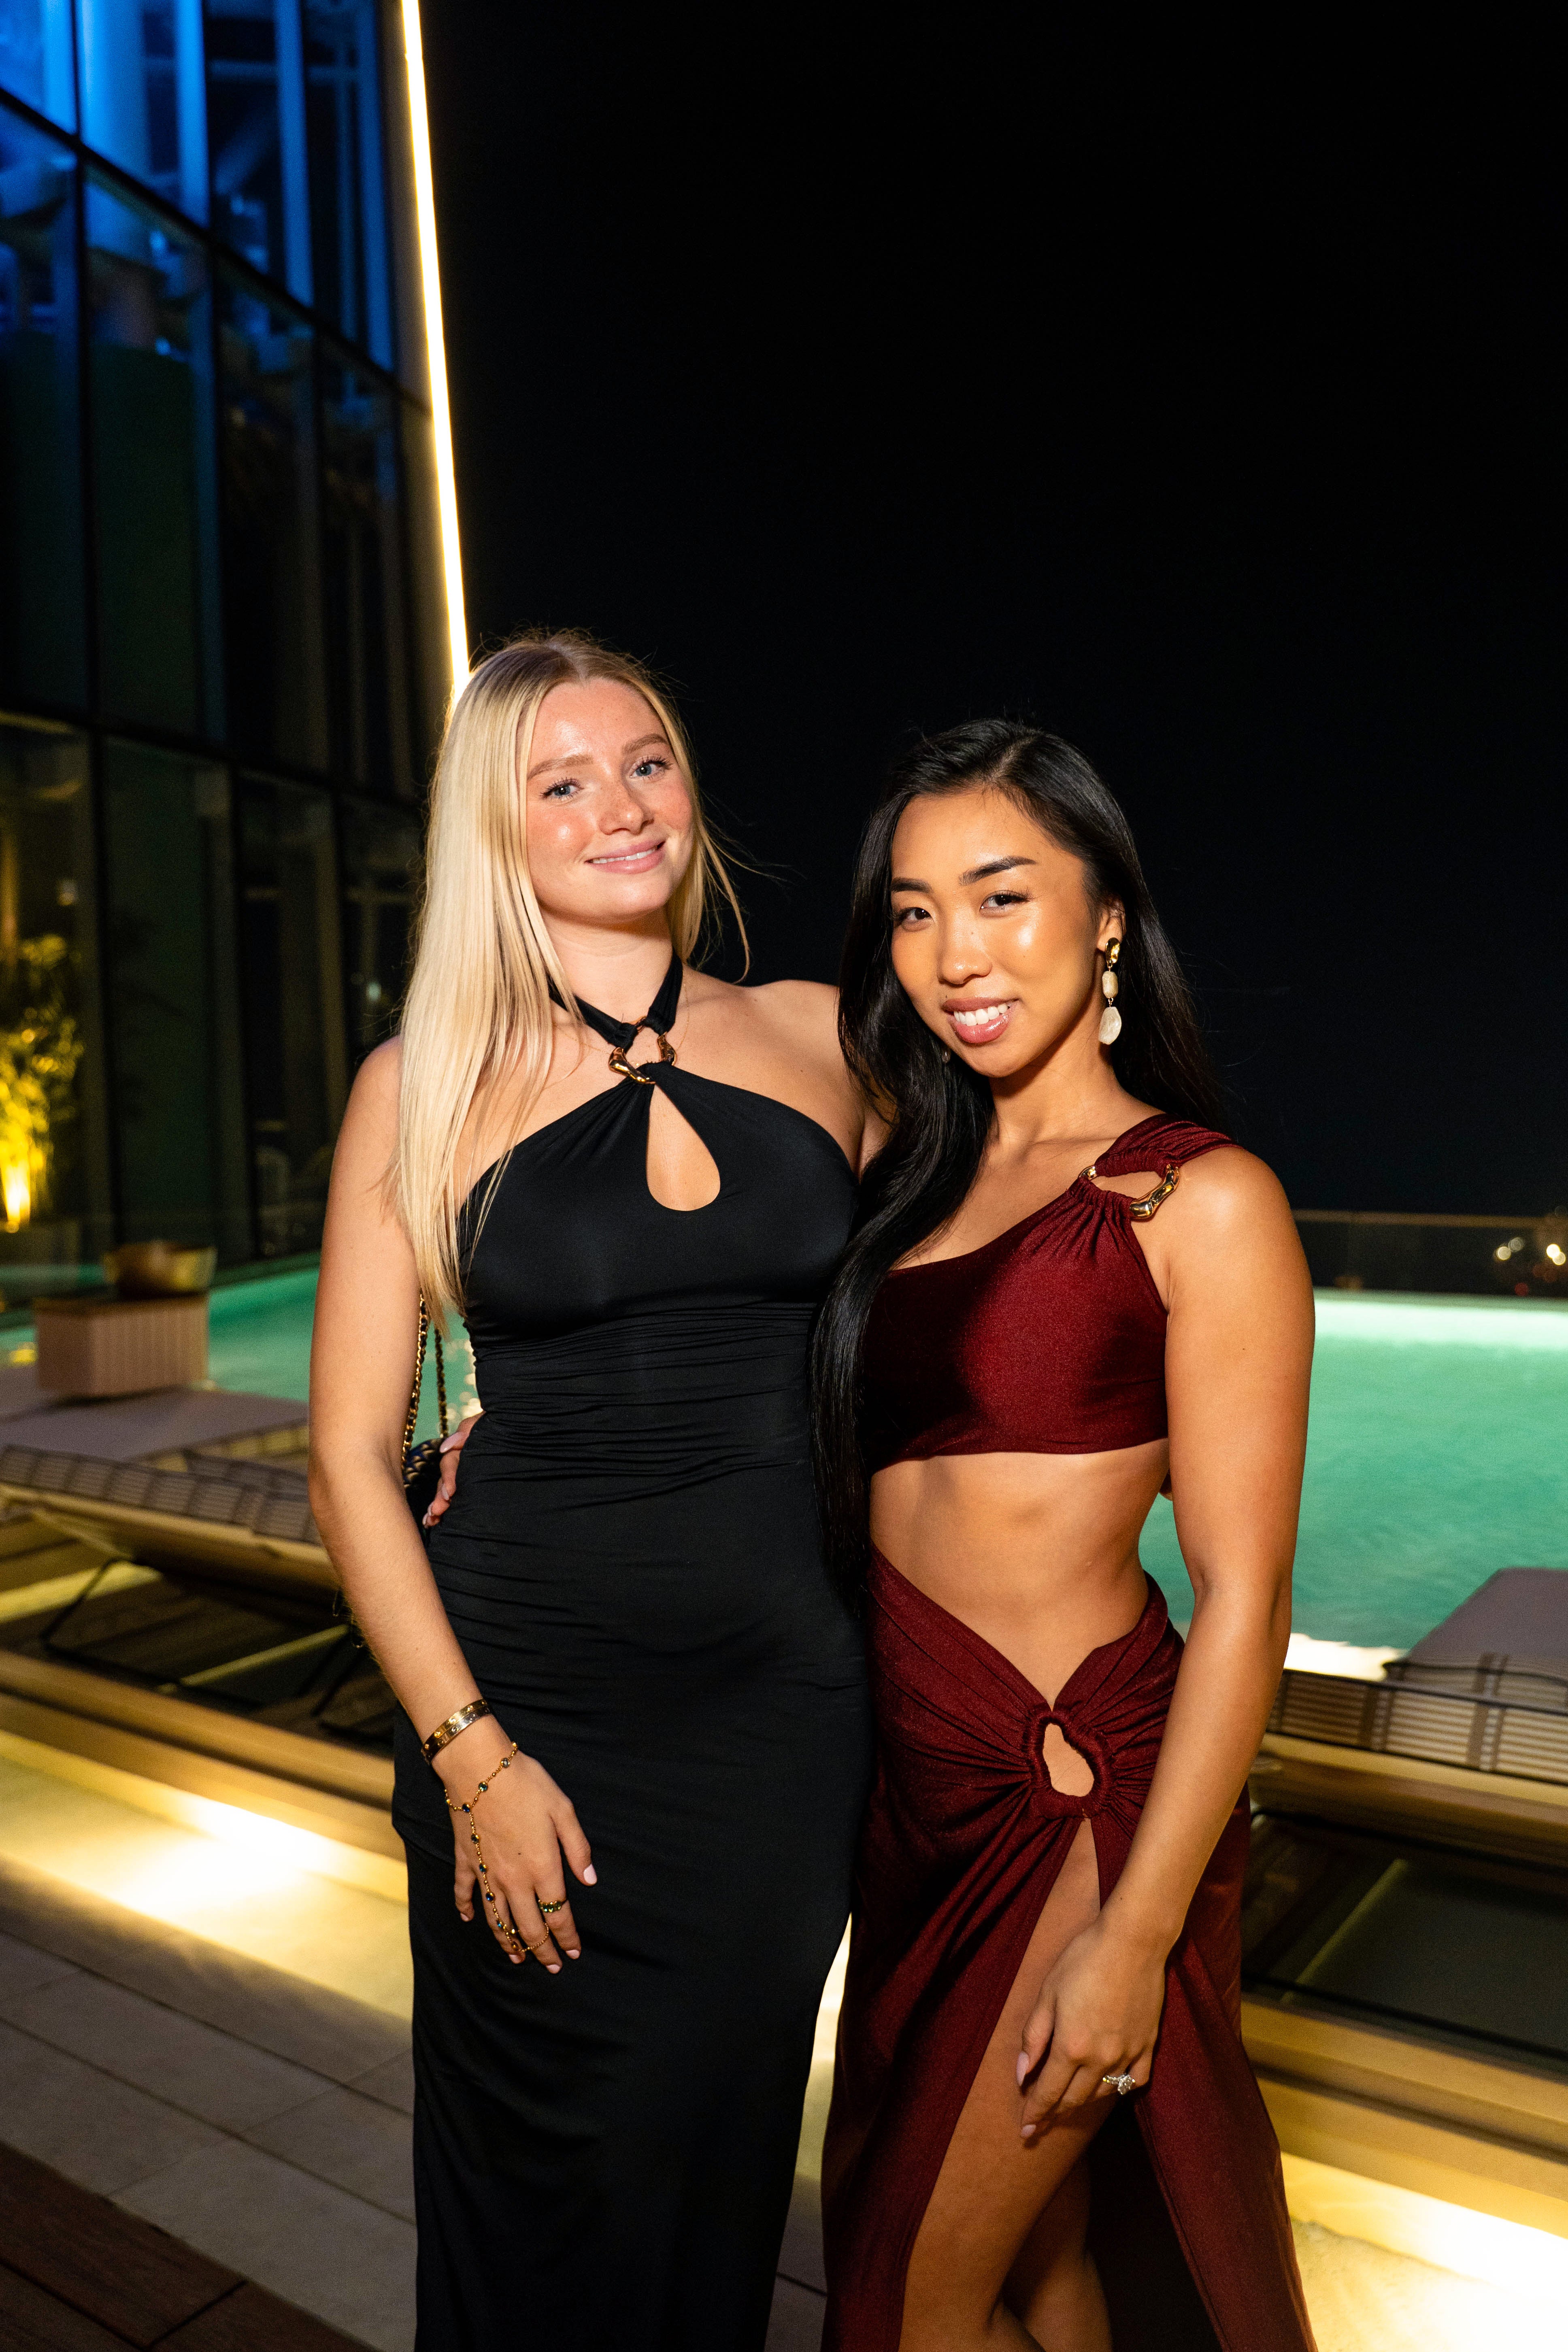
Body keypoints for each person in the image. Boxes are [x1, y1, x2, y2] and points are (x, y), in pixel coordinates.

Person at [308, 632, 874, 2351]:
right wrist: (468, 1753)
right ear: (496, 827)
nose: (620, 805)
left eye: (646, 762)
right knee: (544, 2198)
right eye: (560, 781)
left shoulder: (825, 1033)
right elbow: (346, 1459)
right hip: (529, 1713)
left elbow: (979, 1279)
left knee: (718, 2177)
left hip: (784, 1727)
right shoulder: (421, 1085)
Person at [810, 722, 1317, 2352]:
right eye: (912, 910)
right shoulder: (903, 1175)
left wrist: (1136, 1932)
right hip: (913, 1808)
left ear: (1106, 918)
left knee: (902, 2301)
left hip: (1069, 1808)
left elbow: (1245, 1598)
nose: (953, 952)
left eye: (1001, 895)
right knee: (1041, 2272)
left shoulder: (1197, 1198)